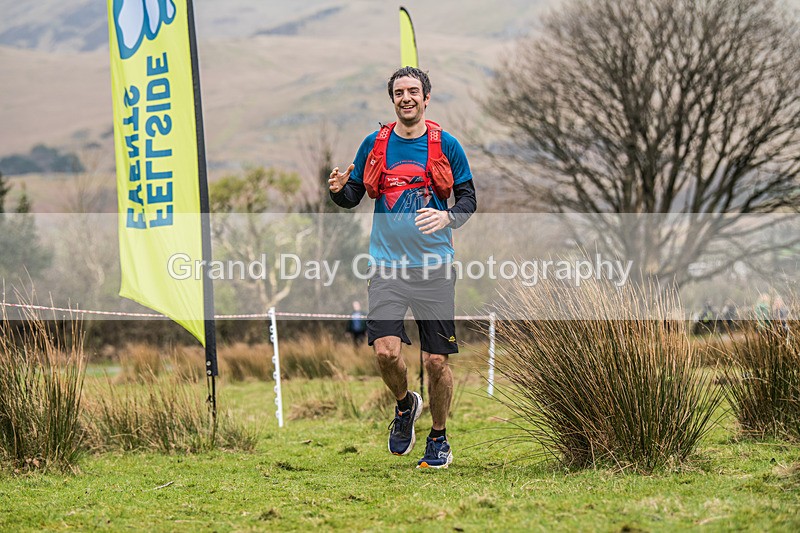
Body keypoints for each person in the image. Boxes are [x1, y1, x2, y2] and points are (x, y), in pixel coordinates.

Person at [329, 66, 477, 469]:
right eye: (399, 92)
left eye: (413, 91)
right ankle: (405, 404)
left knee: (436, 361)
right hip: (386, 266)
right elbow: (354, 194)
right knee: (385, 353)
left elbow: (468, 199)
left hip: (434, 267)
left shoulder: (446, 144)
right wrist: (339, 192)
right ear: (392, 99)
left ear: (426, 98)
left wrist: (448, 217)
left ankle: (439, 438)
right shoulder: (374, 144)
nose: (406, 98)